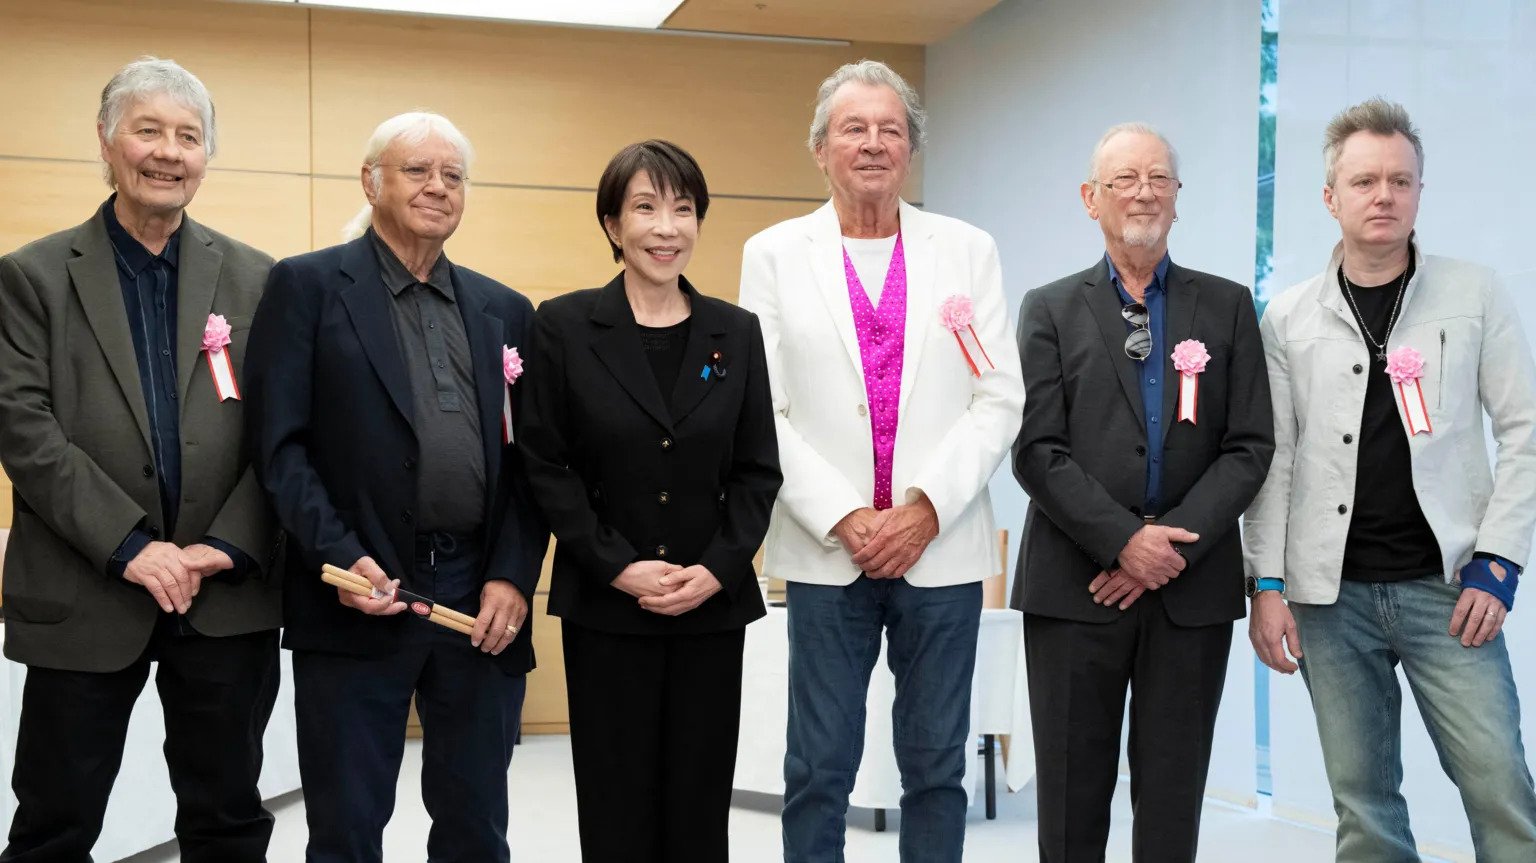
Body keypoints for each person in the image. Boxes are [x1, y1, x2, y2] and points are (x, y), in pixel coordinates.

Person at [737, 60, 1024, 863]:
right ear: (820, 149)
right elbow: (763, 407)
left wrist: (925, 508)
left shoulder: (967, 250)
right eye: (853, 128)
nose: (872, 143)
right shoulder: (774, 253)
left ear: (911, 148)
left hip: (943, 548)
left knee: (936, 767)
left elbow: (999, 396)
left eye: (890, 129)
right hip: (829, 551)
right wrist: (846, 514)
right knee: (818, 766)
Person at [244, 111, 547, 863]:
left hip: (477, 599)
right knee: (347, 827)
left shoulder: (506, 311)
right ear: (371, 181)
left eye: (453, 175)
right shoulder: (308, 286)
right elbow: (280, 449)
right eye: (417, 170)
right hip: (357, 592)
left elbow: (532, 466)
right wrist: (341, 557)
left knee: (476, 823)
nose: (437, 187)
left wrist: (512, 575)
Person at [0, 56, 282, 862]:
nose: (168, 152)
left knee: (228, 819)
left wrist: (225, 543)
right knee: (54, 824)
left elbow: (285, 432)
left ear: (206, 155)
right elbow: (22, 427)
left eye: (188, 136)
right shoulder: (32, 277)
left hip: (223, 593)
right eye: (147, 129)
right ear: (105, 140)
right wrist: (130, 544)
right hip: (84, 592)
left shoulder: (260, 278)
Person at [1245, 97, 1536, 862]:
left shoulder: (1474, 295)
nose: (1384, 196)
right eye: (1365, 181)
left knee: (1500, 786)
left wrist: (1500, 560)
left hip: (1450, 590)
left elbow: (1526, 431)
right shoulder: (1288, 316)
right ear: (1330, 196)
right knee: (1365, 806)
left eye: (1400, 181)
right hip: (1330, 599)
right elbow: (1274, 458)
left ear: (1419, 192)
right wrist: (1266, 584)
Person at [1012, 122, 1274, 862]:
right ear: (1090, 197)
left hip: (1190, 591)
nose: (1144, 193)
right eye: (1124, 179)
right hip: (1074, 588)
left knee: (1171, 802)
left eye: (1159, 178)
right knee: (1070, 801)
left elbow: (1249, 445)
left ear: (1178, 197)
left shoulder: (1226, 306)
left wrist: (1168, 549)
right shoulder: (1048, 308)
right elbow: (1036, 449)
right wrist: (1124, 542)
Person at [519, 139, 780, 862]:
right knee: (616, 806)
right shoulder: (564, 326)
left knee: (699, 807)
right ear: (612, 224)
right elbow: (545, 463)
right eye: (645, 208)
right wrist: (616, 564)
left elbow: (758, 470)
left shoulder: (736, 331)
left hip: (710, 608)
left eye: (683, 209)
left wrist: (718, 568)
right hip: (608, 607)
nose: (667, 228)